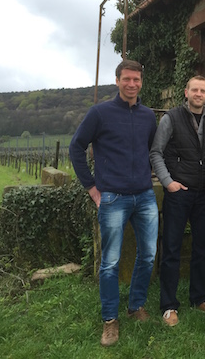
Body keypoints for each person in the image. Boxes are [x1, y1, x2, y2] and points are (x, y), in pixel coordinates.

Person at [69, 59, 159, 347]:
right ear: (118, 80)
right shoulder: (100, 113)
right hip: (112, 198)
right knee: (110, 262)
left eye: (136, 80)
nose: (132, 84)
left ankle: (135, 306)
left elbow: (150, 149)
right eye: (127, 79)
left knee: (147, 255)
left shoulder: (148, 116)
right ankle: (110, 319)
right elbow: (76, 148)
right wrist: (92, 189)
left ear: (141, 82)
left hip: (145, 195)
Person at [149, 75, 205, 326]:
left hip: (203, 193)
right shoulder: (171, 117)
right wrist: (168, 182)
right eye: (194, 90)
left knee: (202, 247)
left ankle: (199, 297)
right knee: (172, 249)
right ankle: (168, 305)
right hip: (179, 192)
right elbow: (156, 152)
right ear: (186, 92)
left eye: (203, 90)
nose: (199, 94)